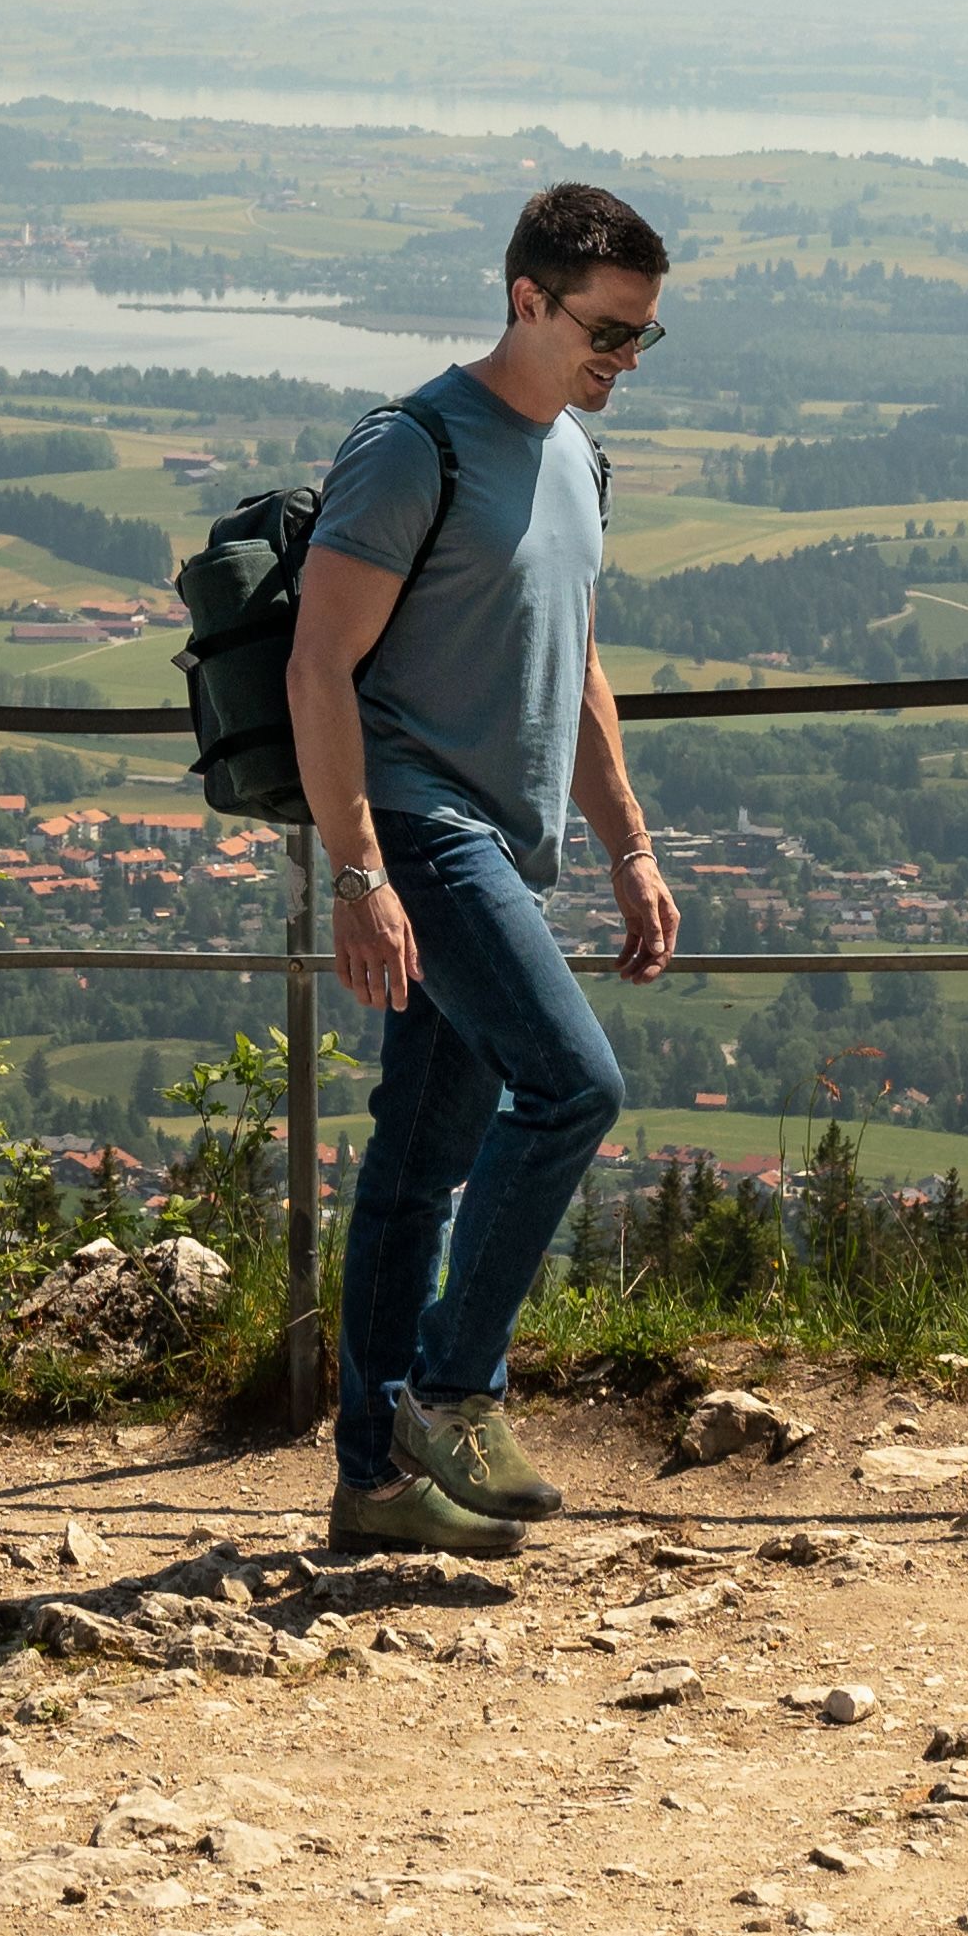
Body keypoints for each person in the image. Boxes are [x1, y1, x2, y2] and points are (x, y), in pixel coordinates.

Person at [286, 181, 679, 1556]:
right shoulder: (413, 446)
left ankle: (374, 1484)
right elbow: (317, 663)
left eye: (642, 337)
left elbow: (576, 667)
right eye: (608, 332)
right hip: (421, 828)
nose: (623, 360)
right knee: (574, 1083)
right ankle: (451, 1389)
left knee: (419, 1159)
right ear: (528, 299)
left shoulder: (574, 456)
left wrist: (627, 841)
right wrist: (358, 872)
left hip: (508, 842)